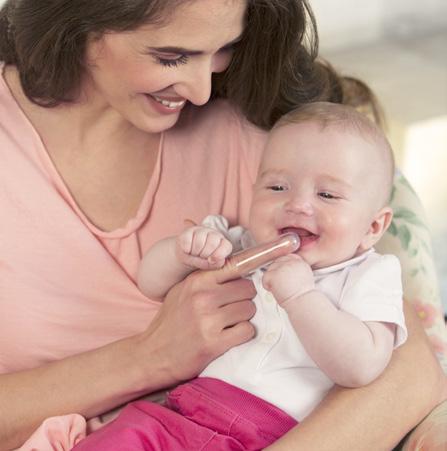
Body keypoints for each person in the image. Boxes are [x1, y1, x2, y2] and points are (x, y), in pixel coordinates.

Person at [0, 0, 444, 450]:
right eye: (171, 55)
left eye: (223, 49)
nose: (200, 90)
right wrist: (151, 356)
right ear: (76, 20)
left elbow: (405, 373)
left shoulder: (269, 151)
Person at [73, 101, 408, 449]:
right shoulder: (238, 242)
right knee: (121, 438)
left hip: (268, 434)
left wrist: (301, 298)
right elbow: (151, 282)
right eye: (277, 187)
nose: (297, 204)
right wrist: (180, 252)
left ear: (372, 226)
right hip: (182, 411)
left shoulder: (368, 273)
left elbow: (362, 366)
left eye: (327, 194)